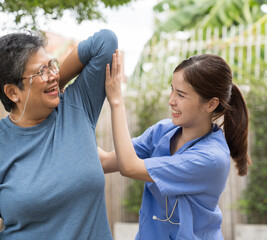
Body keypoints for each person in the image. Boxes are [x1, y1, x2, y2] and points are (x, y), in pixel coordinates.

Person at [0, 29, 117, 239]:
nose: (53, 74)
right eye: (41, 71)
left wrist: (55, 83)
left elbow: (105, 42)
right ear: (12, 92)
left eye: (51, 65)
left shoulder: (77, 106)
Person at [100, 53, 251, 239]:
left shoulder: (210, 158)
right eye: (172, 90)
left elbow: (129, 167)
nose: (171, 100)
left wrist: (116, 102)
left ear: (211, 104)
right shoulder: (163, 131)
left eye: (181, 94)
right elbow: (105, 161)